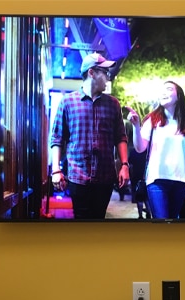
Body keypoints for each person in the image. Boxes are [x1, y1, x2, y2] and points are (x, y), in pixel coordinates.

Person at [50, 53, 130, 219]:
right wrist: (56, 170)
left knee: (99, 220)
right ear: (92, 72)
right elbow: (57, 139)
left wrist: (124, 165)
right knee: (81, 221)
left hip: (105, 176)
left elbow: (120, 137)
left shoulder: (113, 104)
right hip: (77, 176)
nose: (108, 77)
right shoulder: (67, 102)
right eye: (105, 73)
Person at [126, 81, 185, 220]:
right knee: (162, 221)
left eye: (169, 89)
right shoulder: (152, 120)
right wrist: (136, 126)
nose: (163, 92)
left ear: (179, 96)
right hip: (157, 181)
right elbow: (140, 148)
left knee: (173, 221)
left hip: (180, 182)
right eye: (162, 90)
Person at [123, 119, 151, 219]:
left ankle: (140, 215)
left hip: (136, 177)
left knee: (139, 197)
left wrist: (131, 176)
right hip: (147, 177)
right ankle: (148, 213)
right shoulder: (148, 151)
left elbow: (130, 165)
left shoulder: (135, 152)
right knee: (146, 198)